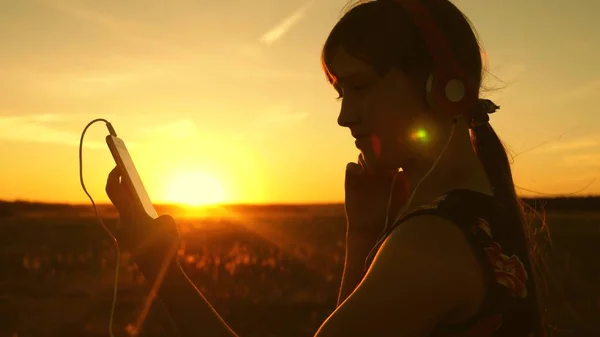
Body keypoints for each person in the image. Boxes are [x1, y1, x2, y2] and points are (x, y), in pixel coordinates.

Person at [106, 0, 545, 336]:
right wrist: (364, 232)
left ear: (443, 89)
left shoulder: (432, 242)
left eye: (359, 86)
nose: (343, 116)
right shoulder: (483, 216)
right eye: (340, 93)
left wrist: (158, 262)